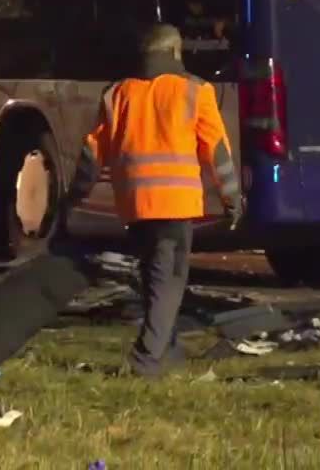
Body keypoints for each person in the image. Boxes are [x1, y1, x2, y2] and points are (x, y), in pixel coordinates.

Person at [64, 23, 242, 376]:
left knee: (153, 279)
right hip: (175, 206)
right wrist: (233, 200)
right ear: (175, 53)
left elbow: (91, 151)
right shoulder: (194, 91)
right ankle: (144, 361)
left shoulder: (118, 94)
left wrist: (74, 196)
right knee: (168, 283)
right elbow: (217, 152)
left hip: (134, 205)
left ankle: (168, 353)